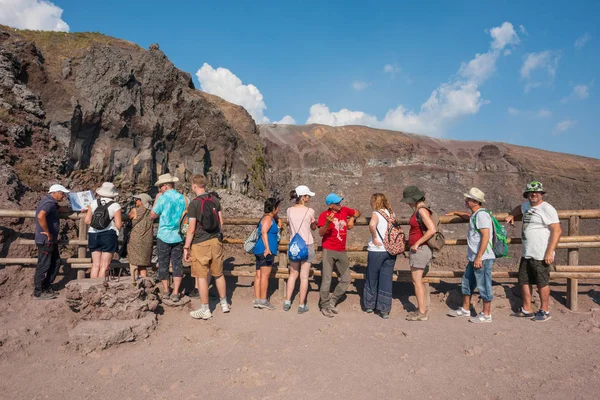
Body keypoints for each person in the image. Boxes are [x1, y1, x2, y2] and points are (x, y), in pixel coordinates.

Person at [506, 181, 562, 322]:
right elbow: (519, 208)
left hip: (541, 253)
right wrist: (511, 215)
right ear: (527, 195)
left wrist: (550, 252)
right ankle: (527, 309)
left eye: (537, 192)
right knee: (524, 280)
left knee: (541, 282)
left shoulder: (547, 208)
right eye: (531, 192)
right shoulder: (526, 206)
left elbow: (557, 230)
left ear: (541, 194)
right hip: (527, 252)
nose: (534, 194)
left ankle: (544, 311)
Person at [446, 188, 495, 323]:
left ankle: (486, 314)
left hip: (482, 258)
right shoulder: (476, 214)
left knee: (484, 285)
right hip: (474, 257)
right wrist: (457, 213)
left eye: (468, 199)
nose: (466, 201)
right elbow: (469, 217)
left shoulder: (482, 215)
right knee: (466, 282)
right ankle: (466, 309)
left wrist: (479, 257)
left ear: (475, 201)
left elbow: (485, 236)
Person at [184, 175, 229, 320]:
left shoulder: (194, 204)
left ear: (194, 186)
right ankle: (224, 304)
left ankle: (205, 308)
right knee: (218, 273)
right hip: (215, 241)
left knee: (202, 276)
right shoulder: (215, 200)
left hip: (200, 243)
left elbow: (191, 228)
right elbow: (221, 223)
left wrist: (186, 246)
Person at [317, 193, 361, 318]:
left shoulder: (345, 210)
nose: (339, 204)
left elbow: (357, 212)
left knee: (346, 278)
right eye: (336, 203)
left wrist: (352, 219)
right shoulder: (324, 215)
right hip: (328, 250)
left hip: (341, 250)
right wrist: (327, 223)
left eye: (339, 201)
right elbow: (321, 233)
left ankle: (332, 301)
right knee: (327, 279)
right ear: (330, 205)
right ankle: (324, 306)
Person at [400, 186, 436, 322]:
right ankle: (422, 310)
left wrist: (417, 243)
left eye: (409, 200)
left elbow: (431, 229)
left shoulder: (421, 211)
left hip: (420, 250)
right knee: (418, 281)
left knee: (417, 282)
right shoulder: (420, 210)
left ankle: (422, 312)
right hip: (421, 249)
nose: (408, 203)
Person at [150, 173, 187, 302]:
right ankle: (176, 292)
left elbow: (153, 215)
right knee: (177, 263)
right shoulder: (183, 198)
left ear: (165, 186)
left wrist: (156, 199)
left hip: (164, 234)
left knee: (163, 263)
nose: (159, 189)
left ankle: (166, 290)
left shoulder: (162, 198)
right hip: (178, 235)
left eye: (160, 186)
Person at [33, 184, 71, 300]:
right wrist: (47, 232)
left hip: (49, 240)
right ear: (55, 192)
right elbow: (41, 216)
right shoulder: (49, 203)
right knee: (44, 265)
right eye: (62, 193)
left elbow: (61, 209)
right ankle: (39, 291)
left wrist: (78, 208)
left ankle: (45, 286)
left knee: (56, 262)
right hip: (46, 240)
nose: (63, 196)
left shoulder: (50, 202)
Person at [284, 185, 317, 314]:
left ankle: (287, 301)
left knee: (293, 274)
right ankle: (301, 305)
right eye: (307, 196)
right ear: (302, 197)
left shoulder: (289, 210)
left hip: (294, 246)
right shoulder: (310, 211)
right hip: (307, 244)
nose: (309, 198)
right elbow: (313, 227)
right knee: (304, 276)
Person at [364, 193, 396, 319]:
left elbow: (372, 225)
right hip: (390, 250)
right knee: (386, 278)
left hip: (376, 250)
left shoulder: (376, 214)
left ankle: (370, 305)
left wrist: (374, 237)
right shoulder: (392, 214)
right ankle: (384, 309)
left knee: (372, 277)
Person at [85, 182, 122, 279]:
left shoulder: (93, 203)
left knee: (95, 265)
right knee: (104, 266)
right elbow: (118, 225)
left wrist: (96, 224)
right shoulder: (115, 205)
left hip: (93, 234)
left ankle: (91, 288)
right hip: (108, 235)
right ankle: (100, 288)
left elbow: (87, 220)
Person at [253, 198, 281, 310]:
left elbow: (280, 223)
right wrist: (268, 248)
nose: (278, 209)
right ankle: (263, 300)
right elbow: (264, 232)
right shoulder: (267, 219)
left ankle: (258, 299)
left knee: (259, 275)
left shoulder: (269, 218)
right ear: (273, 208)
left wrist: (275, 215)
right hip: (265, 251)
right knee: (264, 275)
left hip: (260, 250)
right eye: (277, 207)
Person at [127, 193, 154, 282]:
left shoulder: (135, 210)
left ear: (142, 201)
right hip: (147, 238)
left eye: (138, 200)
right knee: (143, 264)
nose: (136, 201)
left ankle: (134, 281)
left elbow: (128, 217)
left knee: (134, 261)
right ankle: (145, 282)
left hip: (136, 238)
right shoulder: (152, 212)